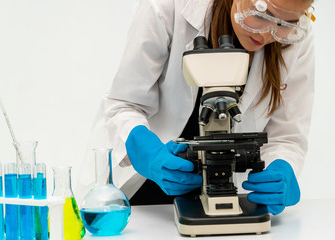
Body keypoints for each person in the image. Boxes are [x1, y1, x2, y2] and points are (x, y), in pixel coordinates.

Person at [102, 0, 315, 215]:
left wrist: (282, 168)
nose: (268, 34)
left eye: (287, 22)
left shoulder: (295, 37)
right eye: (261, 14)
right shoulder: (167, 7)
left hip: (236, 196)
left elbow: (286, 137)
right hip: (151, 200)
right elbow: (124, 105)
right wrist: (146, 152)